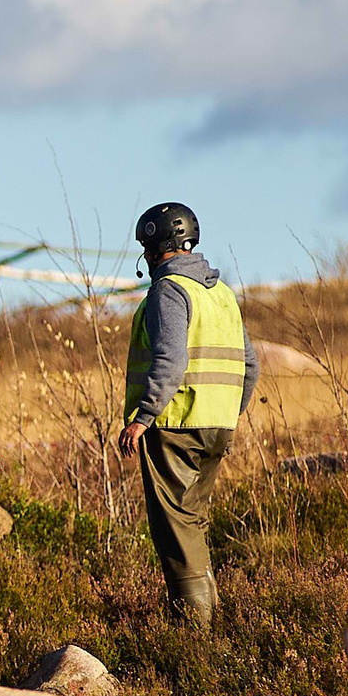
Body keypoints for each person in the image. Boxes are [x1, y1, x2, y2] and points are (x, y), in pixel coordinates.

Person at [115, 201, 258, 627]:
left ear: (155, 245)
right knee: (192, 524)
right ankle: (210, 626)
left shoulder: (169, 290)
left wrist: (143, 418)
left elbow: (170, 358)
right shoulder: (221, 294)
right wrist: (229, 413)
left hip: (174, 426)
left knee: (174, 530)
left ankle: (191, 641)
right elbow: (250, 365)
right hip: (216, 426)